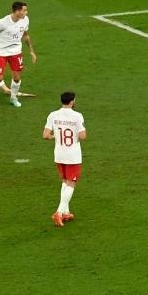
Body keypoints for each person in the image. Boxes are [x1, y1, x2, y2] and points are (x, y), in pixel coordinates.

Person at [0, 1, 36, 108]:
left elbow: (26, 35)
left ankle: (13, 98)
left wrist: (31, 51)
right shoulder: (3, 22)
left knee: (16, 78)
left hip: (16, 52)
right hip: (1, 52)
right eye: (24, 10)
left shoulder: (25, 20)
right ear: (17, 11)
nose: (26, 13)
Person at [43, 91, 86, 227]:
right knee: (71, 183)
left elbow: (45, 135)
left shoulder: (53, 115)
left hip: (59, 154)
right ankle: (59, 212)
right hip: (72, 155)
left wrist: (55, 136)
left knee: (65, 181)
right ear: (72, 101)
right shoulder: (77, 116)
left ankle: (66, 212)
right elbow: (83, 136)